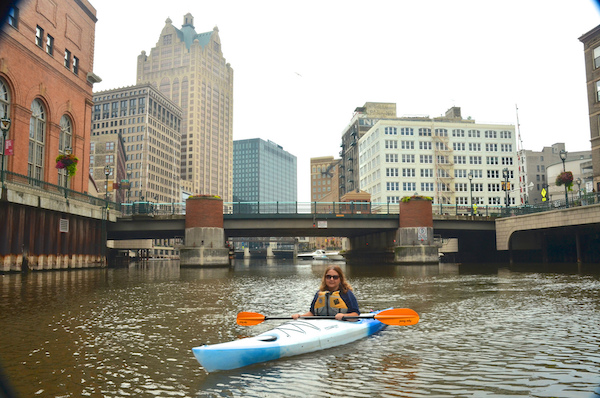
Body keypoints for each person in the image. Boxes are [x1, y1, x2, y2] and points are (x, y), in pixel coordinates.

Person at [292, 265, 359, 321]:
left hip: (342, 324)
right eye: (328, 277)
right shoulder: (319, 293)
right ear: (325, 278)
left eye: (335, 277)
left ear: (340, 279)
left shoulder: (346, 293)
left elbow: (356, 314)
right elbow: (312, 313)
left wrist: (344, 315)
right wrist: (299, 316)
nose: (331, 279)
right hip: (322, 326)